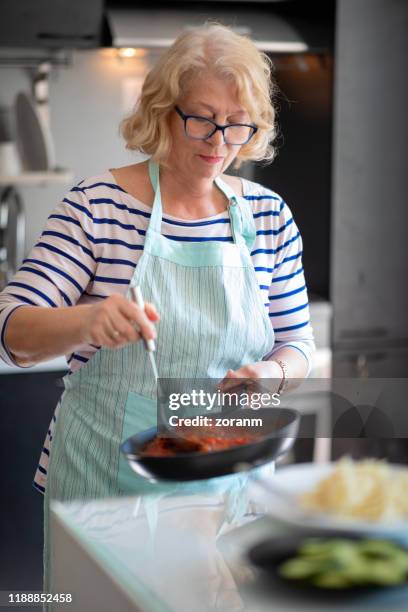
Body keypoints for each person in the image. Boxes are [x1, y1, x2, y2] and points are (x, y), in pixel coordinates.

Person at [0, 23, 315, 593]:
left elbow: (298, 346)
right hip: (106, 488)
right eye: (201, 117)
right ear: (162, 112)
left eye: (237, 124)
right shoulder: (98, 206)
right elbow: (12, 331)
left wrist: (272, 373)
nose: (219, 140)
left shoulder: (268, 216)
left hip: (225, 493)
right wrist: (88, 320)